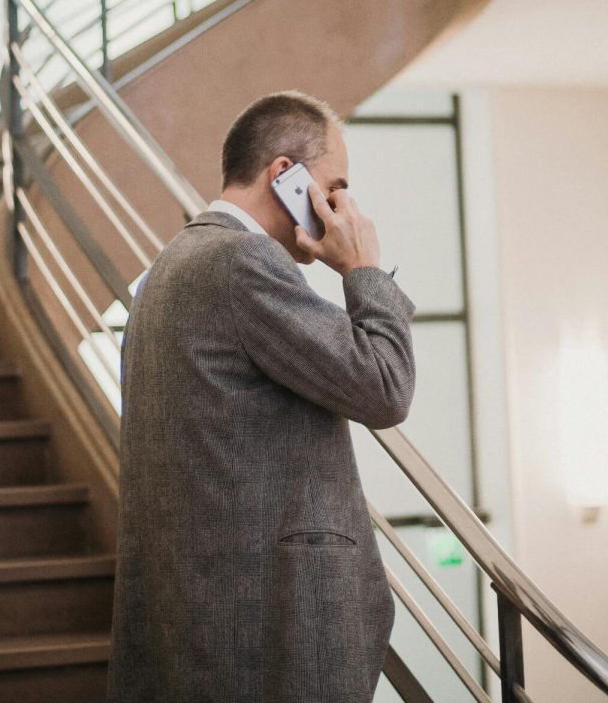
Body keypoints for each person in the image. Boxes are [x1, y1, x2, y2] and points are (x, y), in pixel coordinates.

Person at [106, 90, 417, 703]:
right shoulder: (239, 262)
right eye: (333, 187)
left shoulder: (174, 264)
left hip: (212, 632)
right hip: (269, 640)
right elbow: (386, 387)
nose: (341, 208)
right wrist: (364, 270)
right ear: (285, 176)